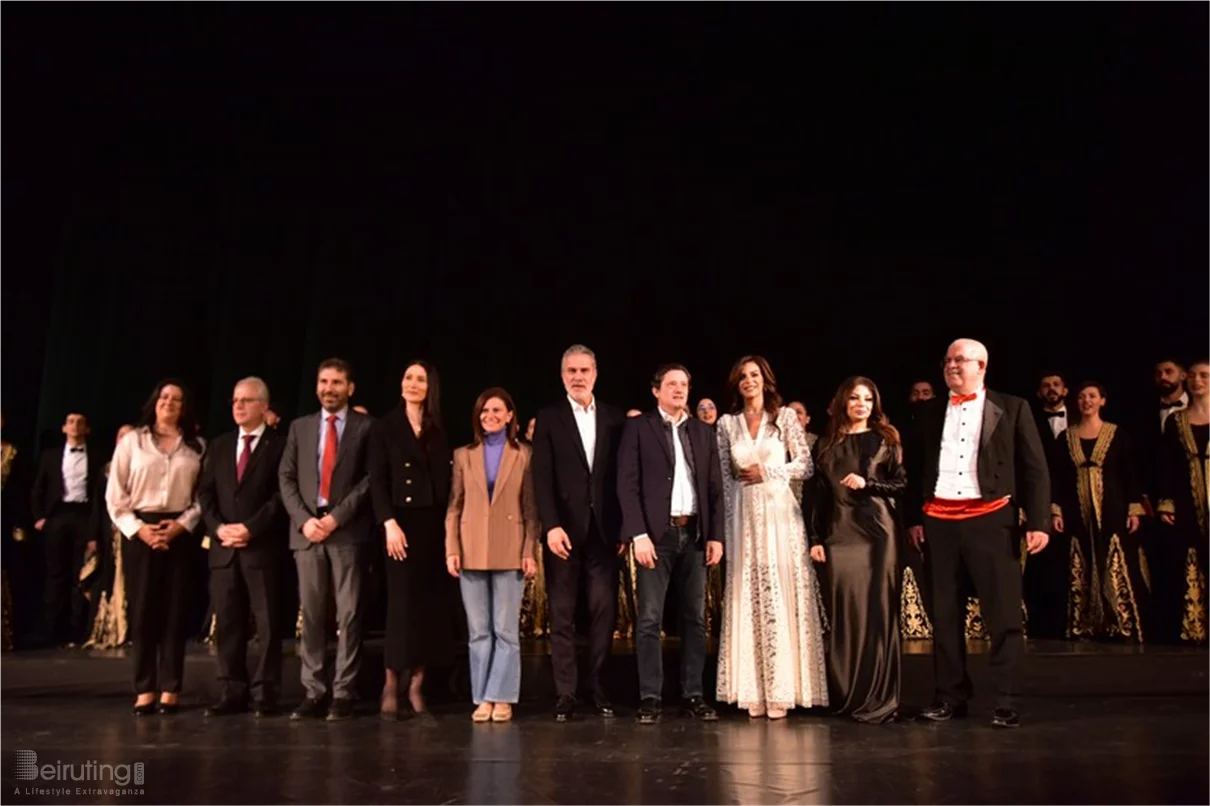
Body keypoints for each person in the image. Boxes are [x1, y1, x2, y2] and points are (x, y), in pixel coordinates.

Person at [906, 339, 1050, 728]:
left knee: (1002, 612)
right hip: (939, 519)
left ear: (982, 365)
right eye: (948, 360)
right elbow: (917, 468)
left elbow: (1034, 468)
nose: (952, 366)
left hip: (990, 517)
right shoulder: (929, 411)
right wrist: (914, 519)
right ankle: (950, 696)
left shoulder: (1013, 407)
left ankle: (1006, 697)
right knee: (945, 613)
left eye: (960, 360)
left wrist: (1038, 521)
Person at [715, 355, 828, 718]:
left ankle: (784, 688)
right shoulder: (726, 424)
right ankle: (751, 688)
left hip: (780, 517)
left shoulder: (784, 418)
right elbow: (723, 479)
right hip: (743, 519)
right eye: (742, 376)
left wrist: (770, 470)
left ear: (765, 380)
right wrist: (728, 530)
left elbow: (806, 465)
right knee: (748, 594)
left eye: (754, 375)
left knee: (779, 593)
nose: (749, 381)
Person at [617, 364, 724, 724]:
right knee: (649, 619)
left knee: (694, 619)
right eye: (671, 384)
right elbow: (626, 484)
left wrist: (715, 535)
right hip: (655, 537)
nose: (679, 390)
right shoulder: (638, 428)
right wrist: (638, 534)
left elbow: (714, 489)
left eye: (684, 385)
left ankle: (693, 694)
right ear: (656, 390)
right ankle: (650, 696)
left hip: (694, 534)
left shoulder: (702, 431)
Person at [530, 344, 626, 721]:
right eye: (571, 371)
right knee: (563, 613)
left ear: (596, 374)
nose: (578, 377)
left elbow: (623, 477)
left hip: (605, 532)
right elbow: (542, 478)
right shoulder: (549, 417)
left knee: (604, 612)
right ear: (562, 375)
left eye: (584, 370)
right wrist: (551, 526)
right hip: (564, 534)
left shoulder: (615, 418)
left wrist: (624, 527)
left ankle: (598, 688)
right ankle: (566, 692)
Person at [279, 358, 374, 721]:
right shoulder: (300, 428)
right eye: (323, 381)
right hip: (307, 534)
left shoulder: (366, 427)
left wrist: (336, 517)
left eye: (336, 382)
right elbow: (286, 477)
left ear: (350, 388)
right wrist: (305, 521)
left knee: (349, 615)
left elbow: (369, 480)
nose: (328, 388)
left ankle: (344, 692)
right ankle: (314, 692)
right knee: (313, 615)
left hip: (346, 531)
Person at [106, 380, 206, 715]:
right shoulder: (133, 441)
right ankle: (144, 687)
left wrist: (181, 526)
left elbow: (202, 499)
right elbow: (115, 497)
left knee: (176, 611)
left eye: (177, 399)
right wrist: (140, 531)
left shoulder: (196, 446)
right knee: (144, 610)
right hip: (141, 531)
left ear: (184, 407)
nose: (169, 403)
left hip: (179, 532)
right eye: (164, 397)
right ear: (154, 401)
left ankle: (171, 688)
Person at [808, 377, 905, 723]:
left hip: (878, 532)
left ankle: (879, 698)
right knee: (844, 613)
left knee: (877, 612)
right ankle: (846, 694)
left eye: (867, 399)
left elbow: (901, 483)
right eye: (854, 398)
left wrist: (869, 484)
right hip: (838, 533)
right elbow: (816, 497)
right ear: (842, 403)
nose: (861, 404)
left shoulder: (886, 438)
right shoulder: (825, 443)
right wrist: (815, 539)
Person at [445, 387, 539, 722]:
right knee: (479, 631)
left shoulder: (524, 455)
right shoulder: (463, 455)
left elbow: (531, 509)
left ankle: (502, 696)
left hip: (510, 547)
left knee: (505, 629)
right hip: (470, 548)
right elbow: (454, 507)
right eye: (485, 412)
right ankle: (482, 696)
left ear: (510, 415)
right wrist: (451, 549)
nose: (491, 417)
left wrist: (529, 551)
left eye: (497, 411)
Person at [369, 360, 455, 718]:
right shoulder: (385, 427)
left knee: (428, 607)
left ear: (430, 386)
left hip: (432, 526)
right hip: (399, 526)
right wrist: (388, 522)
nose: (413, 384)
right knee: (401, 605)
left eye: (420, 379)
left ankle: (417, 684)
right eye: (408, 377)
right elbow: (376, 480)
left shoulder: (438, 429)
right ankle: (391, 680)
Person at [198, 377, 287, 716]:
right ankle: (231, 690)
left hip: (261, 547)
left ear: (264, 407)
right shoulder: (219, 445)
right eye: (235, 400)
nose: (238, 406)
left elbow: (281, 496)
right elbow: (205, 493)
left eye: (247, 400)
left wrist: (251, 528)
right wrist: (219, 527)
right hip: (224, 548)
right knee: (229, 623)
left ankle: (265, 692)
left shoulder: (279, 445)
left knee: (266, 624)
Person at [1050, 382, 1147, 641]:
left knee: (1114, 558)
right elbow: (1057, 478)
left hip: (1112, 506)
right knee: (1080, 558)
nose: (1086, 401)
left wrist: (1133, 509)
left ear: (1102, 401)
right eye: (1082, 397)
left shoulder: (1117, 435)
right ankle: (1083, 624)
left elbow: (1130, 475)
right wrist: (1056, 511)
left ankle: (1120, 623)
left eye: (1092, 396)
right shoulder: (1066, 437)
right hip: (1075, 508)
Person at [31, 412, 99, 645]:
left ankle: (75, 631)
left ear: (87, 430)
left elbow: (100, 497)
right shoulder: (50, 456)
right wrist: (39, 517)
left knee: (79, 575)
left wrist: (94, 530)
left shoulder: (96, 457)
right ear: (63, 428)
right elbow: (38, 487)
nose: (75, 426)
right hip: (57, 516)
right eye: (71, 422)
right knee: (55, 574)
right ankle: (52, 630)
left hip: (83, 516)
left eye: (81, 422)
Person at [1155, 358, 1210, 644]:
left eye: (1205, 376)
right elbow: (1169, 465)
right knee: (1192, 558)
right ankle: (1195, 627)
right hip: (1187, 500)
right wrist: (1166, 501)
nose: (1198, 381)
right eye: (1193, 376)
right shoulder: (1177, 421)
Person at [84, 424, 135, 648]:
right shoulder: (106, 469)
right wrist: (93, 534)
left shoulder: (142, 466)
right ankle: (107, 627)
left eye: (129, 436)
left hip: (133, 531)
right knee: (108, 575)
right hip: (109, 531)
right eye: (121, 435)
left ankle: (131, 627)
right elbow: (97, 505)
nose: (125, 439)